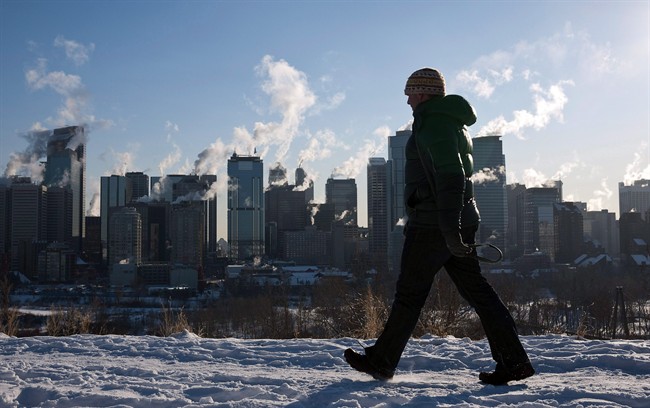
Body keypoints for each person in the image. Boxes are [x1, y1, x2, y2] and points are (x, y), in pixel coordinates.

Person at [344, 67, 534, 386]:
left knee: (409, 295)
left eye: (410, 92)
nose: (406, 100)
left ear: (424, 92)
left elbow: (452, 176)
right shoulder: (449, 122)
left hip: (435, 225)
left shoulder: (434, 123)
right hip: (452, 220)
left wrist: (449, 231)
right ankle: (514, 362)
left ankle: (382, 360)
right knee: (479, 293)